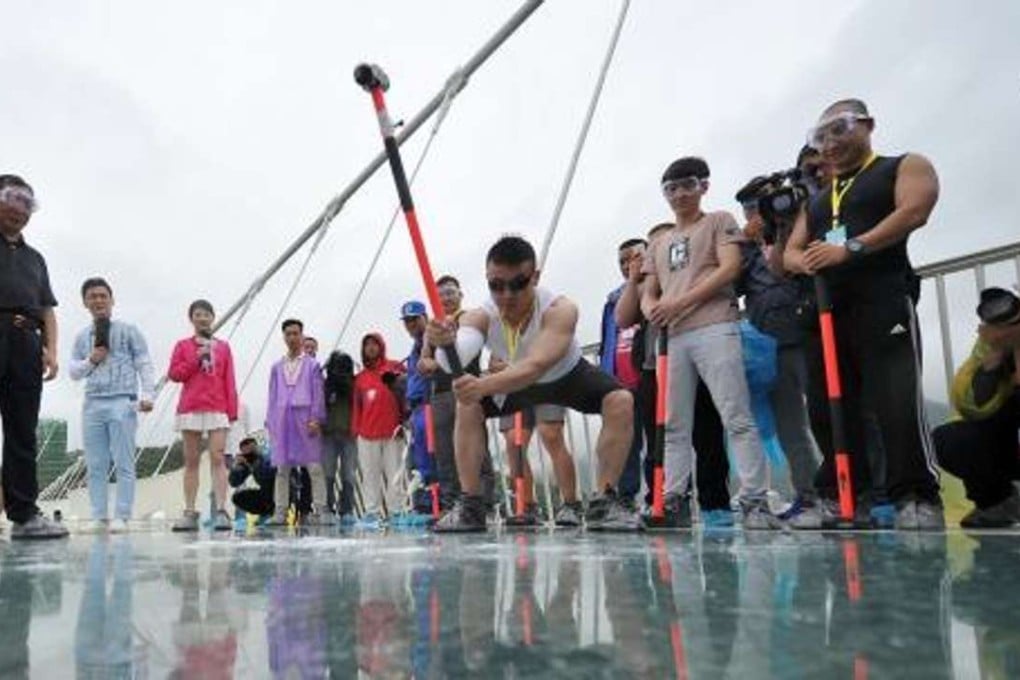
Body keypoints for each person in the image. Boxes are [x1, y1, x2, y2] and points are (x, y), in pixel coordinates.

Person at [785, 98, 943, 529]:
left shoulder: (900, 166)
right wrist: (805, 261)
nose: (830, 143)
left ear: (867, 124)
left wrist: (851, 248)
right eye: (821, 137)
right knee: (827, 404)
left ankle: (916, 494)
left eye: (840, 129)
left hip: (882, 297)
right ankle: (841, 493)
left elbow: (916, 210)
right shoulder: (818, 200)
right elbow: (791, 252)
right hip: (826, 309)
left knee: (895, 398)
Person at [428, 235, 640, 532]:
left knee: (620, 400)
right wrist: (443, 344)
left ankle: (604, 500)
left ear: (535, 277)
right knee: (468, 404)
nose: (507, 295)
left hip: (565, 375)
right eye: (496, 285)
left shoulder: (560, 309)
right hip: (517, 381)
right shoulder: (480, 316)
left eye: (518, 283)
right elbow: (454, 360)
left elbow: (537, 365)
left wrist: (484, 386)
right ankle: (471, 505)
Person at [641, 156, 780, 529]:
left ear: (703, 185)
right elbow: (648, 291)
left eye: (688, 185)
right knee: (673, 423)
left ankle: (754, 499)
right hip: (673, 337)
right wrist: (654, 307)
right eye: (671, 188)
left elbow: (729, 267)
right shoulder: (659, 241)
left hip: (714, 325)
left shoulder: (719, 220)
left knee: (735, 414)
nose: (680, 194)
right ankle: (674, 497)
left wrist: (680, 302)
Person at [615, 222, 734, 527]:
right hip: (654, 369)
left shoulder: (689, 275)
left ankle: (715, 504)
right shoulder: (645, 286)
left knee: (706, 433)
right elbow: (623, 318)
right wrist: (633, 278)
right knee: (659, 439)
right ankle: (664, 498)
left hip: (697, 357)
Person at [734, 179, 823, 528]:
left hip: (810, 330)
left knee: (830, 415)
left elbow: (790, 268)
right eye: (749, 209)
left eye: (761, 205)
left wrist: (786, 228)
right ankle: (810, 495)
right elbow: (734, 286)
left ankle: (866, 491)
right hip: (771, 343)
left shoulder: (804, 226)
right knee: (791, 427)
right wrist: (745, 244)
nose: (756, 214)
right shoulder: (747, 247)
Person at [0, 174, 66, 539]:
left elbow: (47, 308)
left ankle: (24, 514)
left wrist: (51, 350)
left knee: (23, 431)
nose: (19, 209)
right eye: (12, 199)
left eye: (27, 203)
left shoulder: (35, 259)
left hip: (27, 341)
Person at [68, 277, 156, 533]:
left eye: (102, 295)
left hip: (122, 400)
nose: (98, 300)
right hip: (93, 403)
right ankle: (99, 517)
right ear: (85, 302)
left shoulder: (129, 331)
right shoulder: (82, 337)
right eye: (92, 296)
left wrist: (148, 394)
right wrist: (91, 360)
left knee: (124, 462)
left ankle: (122, 515)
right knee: (95, 464)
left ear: (112, 299)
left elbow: (144, 362)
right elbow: (73, 371)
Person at [933, 288, 1020, 528]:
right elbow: (970, 405)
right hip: (1010, 445)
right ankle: (998, 502)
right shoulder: (989, 346)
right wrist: (995, 356)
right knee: (948, 438)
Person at [418, 275, 497, 510]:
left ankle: (484, 502)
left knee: (477, 447)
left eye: (451, 292)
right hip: (440, 393)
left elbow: (473, 350)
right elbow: (424, 360)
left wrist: (437, 363)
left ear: (460, 295)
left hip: (468, 390)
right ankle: (452, 502)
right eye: (441, 294)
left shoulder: (470, 319)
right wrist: (429, 364)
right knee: (444, 451)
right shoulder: (432, 328)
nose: (446, 298)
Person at [167, 299, 239, 532]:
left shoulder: (224, 347)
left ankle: (220, 509)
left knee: (218, 458)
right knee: (191, 461)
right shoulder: (182, 346)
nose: (203, 318)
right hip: (191, 407)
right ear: (192, 318)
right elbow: (175, 374)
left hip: (217, 406)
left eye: (207, 314)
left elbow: (229, 379)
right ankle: (190, 511)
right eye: (198, 314)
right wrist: (196, 358)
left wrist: (232, 410)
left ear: (213, 317)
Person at [598, 238, 650, 507]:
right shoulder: (613, 300)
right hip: (620, 382)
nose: (627, 266)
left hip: (648, 376)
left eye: (632, 259)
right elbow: (608, 340)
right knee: (627, 444)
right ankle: (625, 497)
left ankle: (660, 497)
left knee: (657, 439)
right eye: (621, 261)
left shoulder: (657, 287)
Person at [265, 319, 329, 525]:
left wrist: (316, 418)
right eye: (288, 334)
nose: (292, 338)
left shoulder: (312, 365)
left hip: (305, 418)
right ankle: (280, 511)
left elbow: (318, 394)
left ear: (302, 336)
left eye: (296, 334)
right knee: (282, 468)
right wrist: (272, 421)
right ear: (284, 337)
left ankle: (320, 509)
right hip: (283, 419)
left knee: (314, 466)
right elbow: (272, 396)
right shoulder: (276, 367)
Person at [494, 403, 582, 526]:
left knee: (551, 433)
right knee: (514, 440)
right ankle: (527, 506)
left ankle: (571, 505)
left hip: (547, 384)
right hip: (510, 388)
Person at [352, 332, 406, 524]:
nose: (371, 348)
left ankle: (396, 511)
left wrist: (403, 423)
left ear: (381, 346)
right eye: (367, 345)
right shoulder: (359, 378)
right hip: (367, 434)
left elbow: (404, 396)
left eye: (375, 344)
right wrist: (356, 430)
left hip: (393, 431)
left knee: (395, 474)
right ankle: (371, 511)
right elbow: (356, 406)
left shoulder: (396, 367)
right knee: (370, 474)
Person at [401, 300, 438, 517]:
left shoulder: (431, 341)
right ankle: (425, 502)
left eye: (415, 319)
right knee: (420, 455)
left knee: (430, 454)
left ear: (425, 317)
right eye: (407, 321)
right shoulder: (415, 347)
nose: (411, 324)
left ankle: (435, 501)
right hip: (416, 407)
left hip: (429, 403)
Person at [322, 350, 358, 521]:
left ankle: (347, 509)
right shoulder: (325, 386)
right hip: (328, 434)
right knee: (327, 472)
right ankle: (328, 507)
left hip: (349, 434)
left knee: (348, 473)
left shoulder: (354, 385)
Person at [229, 437, 277, 520]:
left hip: (283, 490)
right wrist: (236, 468)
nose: (249, 453)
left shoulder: (268, 455)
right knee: (238, 497)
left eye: (251, 449)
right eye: (245, 451)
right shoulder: (249, 461)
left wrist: (255, 464)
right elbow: (234, 483)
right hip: (266, 493)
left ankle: (272, 511)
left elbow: (268, 476)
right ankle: (266, 513)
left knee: (268, 486)